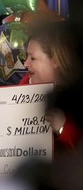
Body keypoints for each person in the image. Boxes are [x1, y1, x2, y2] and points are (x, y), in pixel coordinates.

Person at [19, 20, 83, 153]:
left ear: (55, 61)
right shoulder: (25, 84)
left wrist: (62, 127)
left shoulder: (76, 97)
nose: (25, 63)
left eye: (33, 58)